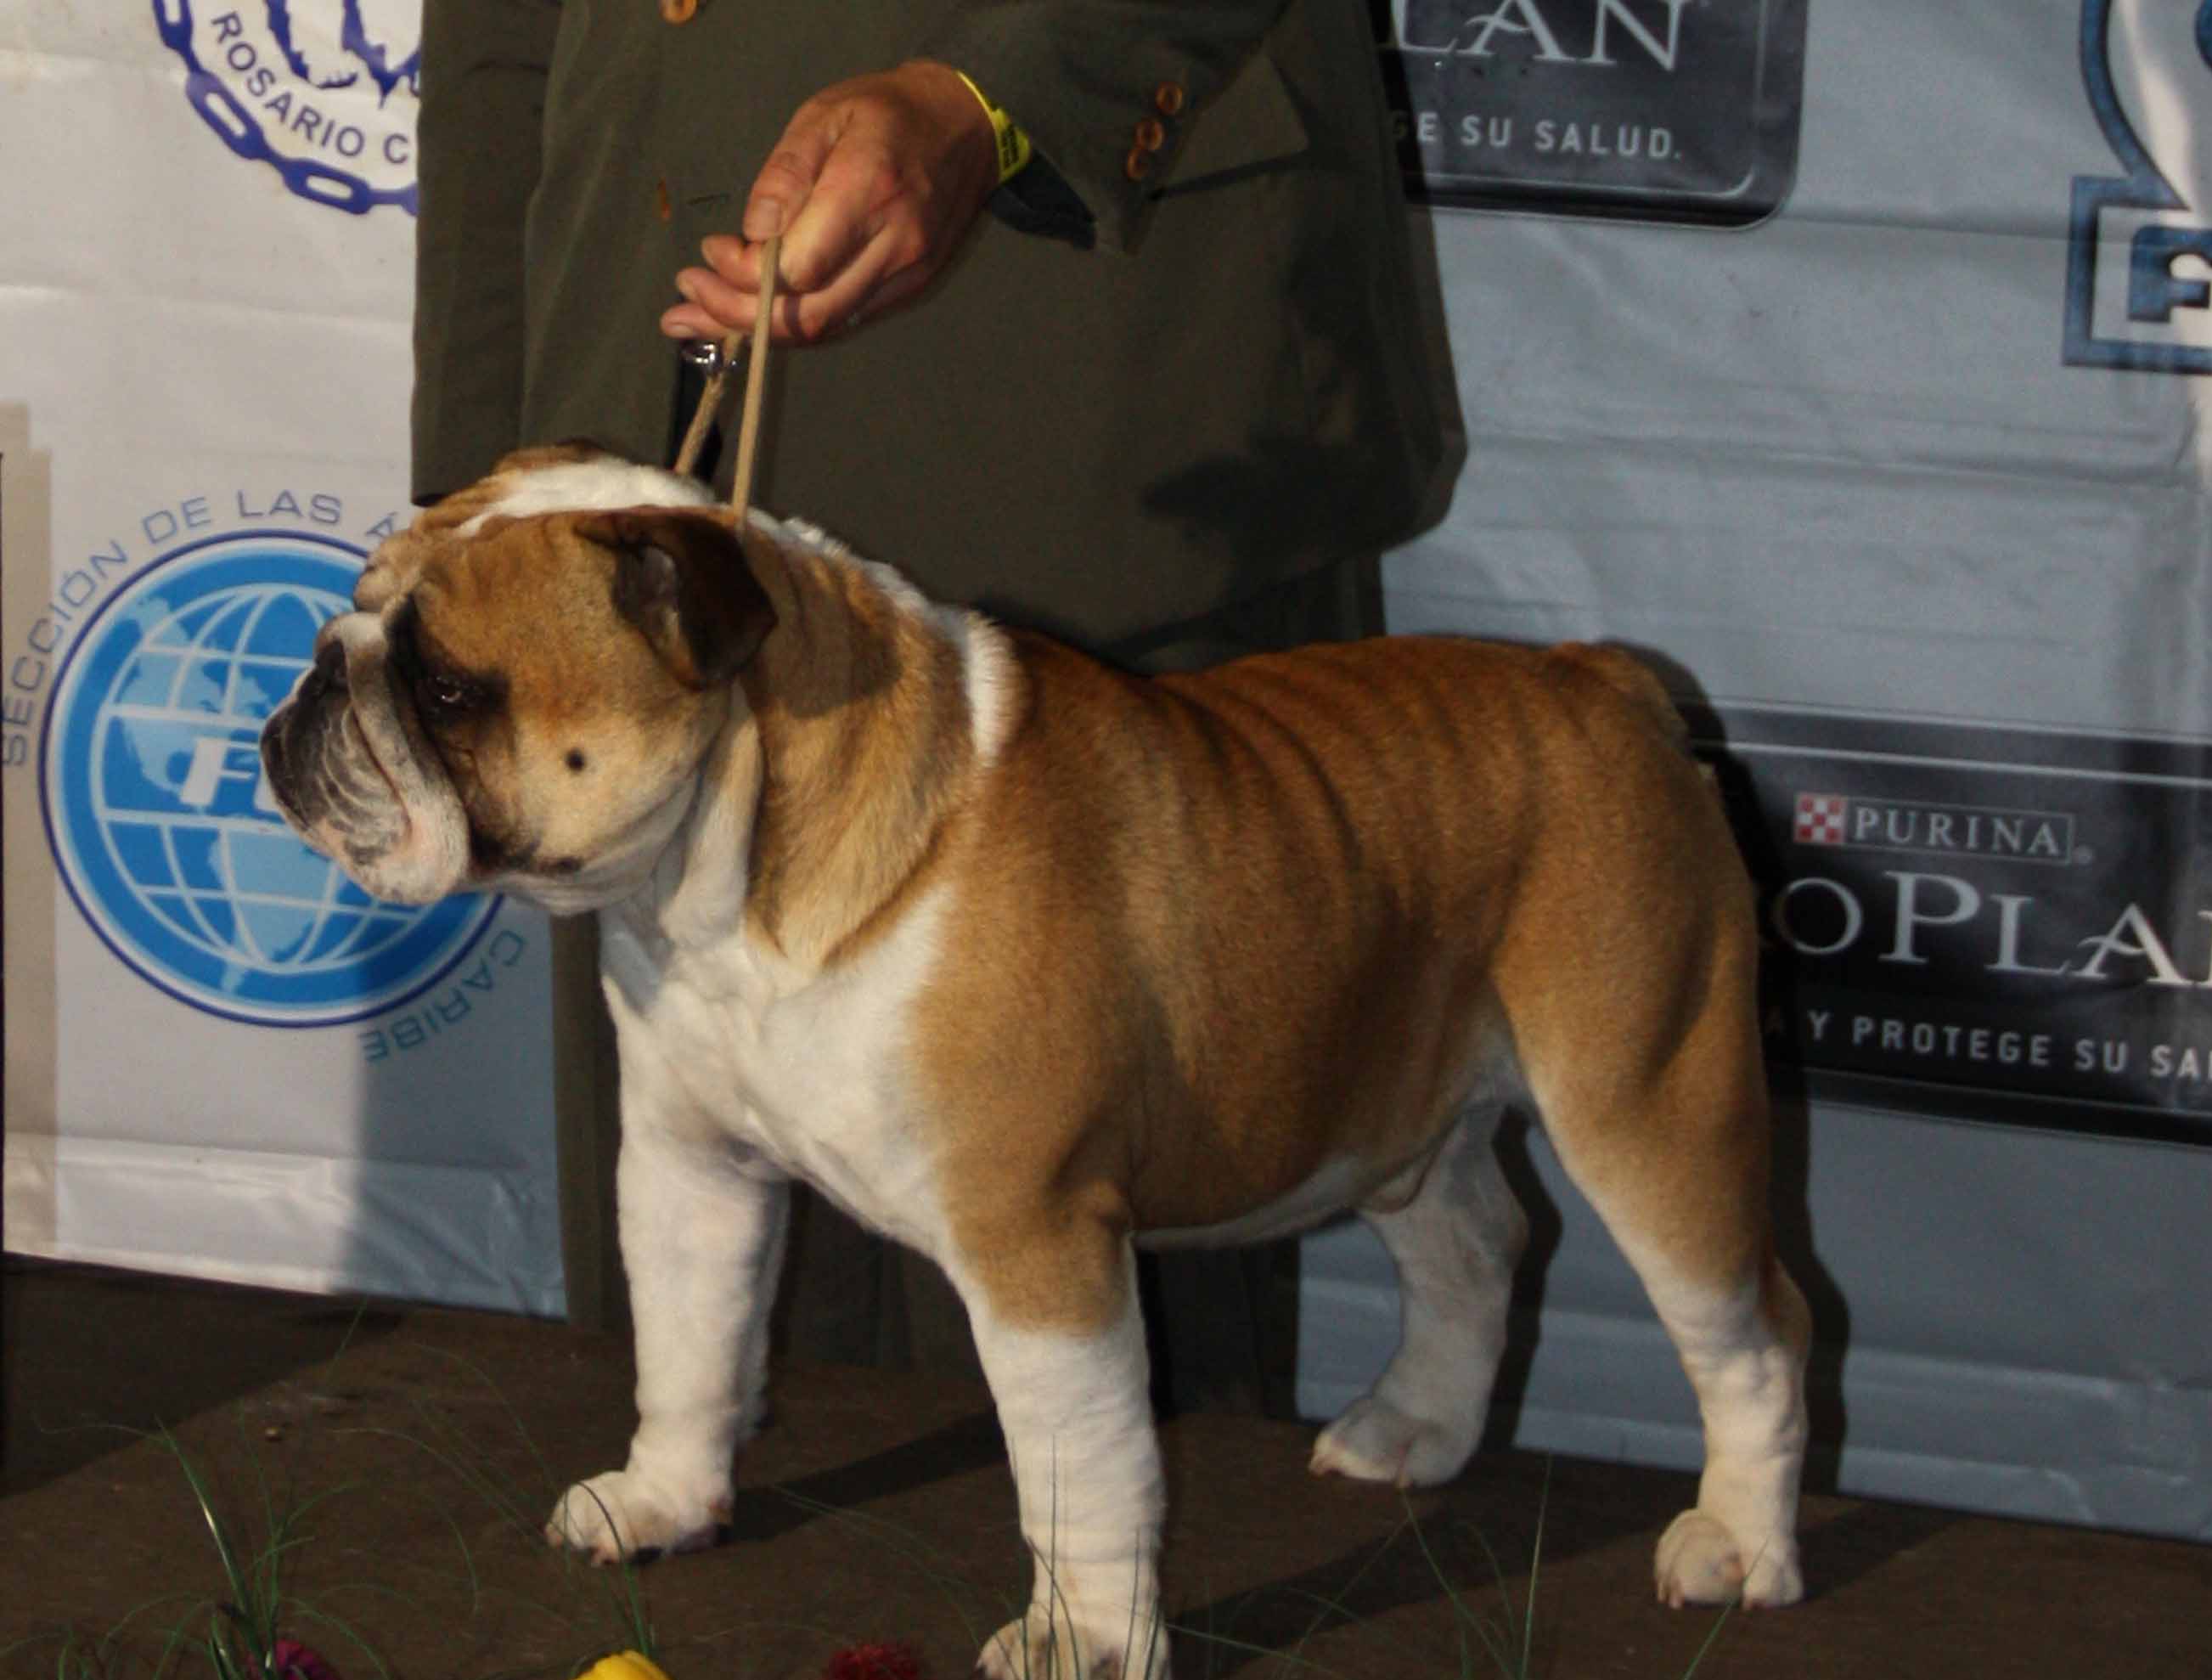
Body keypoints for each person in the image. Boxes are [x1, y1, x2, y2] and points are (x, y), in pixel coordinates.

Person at [409, 0, 1461, 1408]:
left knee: (1097, 1440)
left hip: (1086, 373)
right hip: (640, 452)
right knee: (699, 1409)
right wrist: (479, 471)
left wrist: (993, 101)